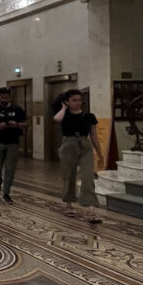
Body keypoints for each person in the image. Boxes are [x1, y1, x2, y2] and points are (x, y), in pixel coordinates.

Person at [52, 89, 104, 223]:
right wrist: (64, 108)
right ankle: (68, 203)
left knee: (88, 177)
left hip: (85, 145)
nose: (77, 103)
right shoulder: (64, 115)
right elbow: (56, 119)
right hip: (69, 144)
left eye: (79, 100)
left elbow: (93, 135)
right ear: (67, 102)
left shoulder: (89, 116)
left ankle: (91, 208)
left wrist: (99, 152)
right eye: (74, 100)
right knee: (69, 175)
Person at [0, 86, 27, 203]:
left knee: (10, 168)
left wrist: (17, 124)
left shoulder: (18, 109)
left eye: (6, 97)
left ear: (10, 97)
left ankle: (7, 192)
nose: (4, 99)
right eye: (2, 97)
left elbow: (26, 124)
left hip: (13, 142)